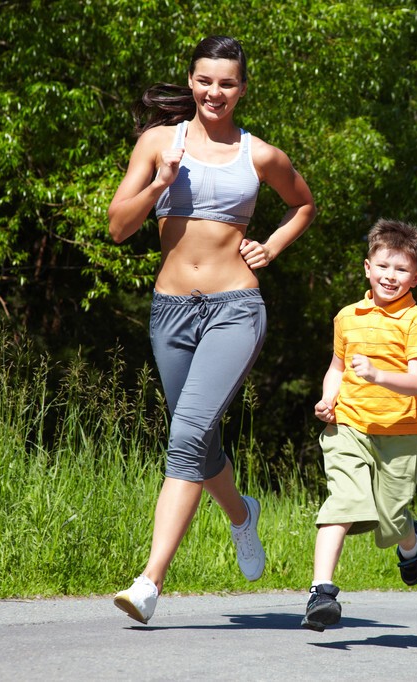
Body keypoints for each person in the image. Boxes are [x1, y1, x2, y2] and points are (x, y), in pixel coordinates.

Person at [106, 34, 316, 624]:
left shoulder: (260, 154)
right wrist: (159, 183)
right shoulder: (158, 143)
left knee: (185, 435)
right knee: (198, 440)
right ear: (191, 81)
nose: (214, 92)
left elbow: (303, 205)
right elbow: (118, 227)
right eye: (204, 80)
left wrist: (272, 245)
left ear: (242, 89)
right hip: (171, 311)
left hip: (234, 308)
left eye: (226, 83)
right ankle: (242, 514)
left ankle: (150, 581)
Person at [301, 219, 417, 632]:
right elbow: (337, 367)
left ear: (415, 277)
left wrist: (377, 375)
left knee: (392, 518)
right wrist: (328, 399)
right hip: (350, 424)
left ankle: (411, 543)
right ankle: (321, 592)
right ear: (367, 267)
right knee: (342, 501)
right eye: (383, 266)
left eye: (401, 269)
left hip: (401, 431)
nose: (390, 276)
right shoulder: (347, 317)